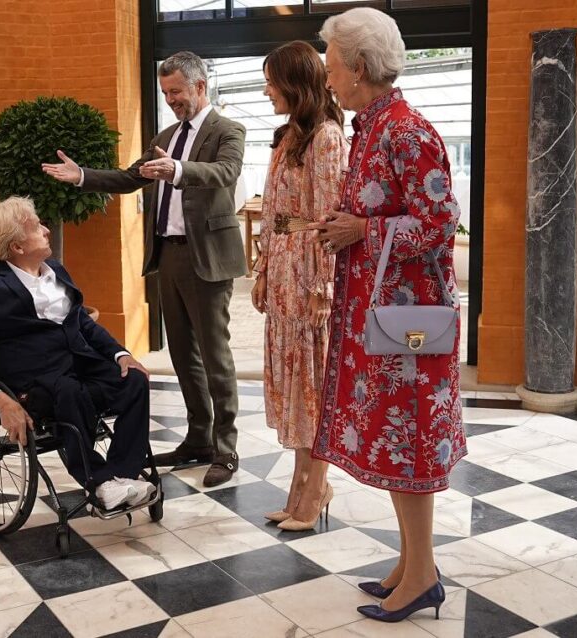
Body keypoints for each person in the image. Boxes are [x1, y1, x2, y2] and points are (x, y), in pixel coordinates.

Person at [310, 7, 466, 623]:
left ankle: (423, 572)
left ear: (361, 68)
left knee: (407, 444)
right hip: (381, 323)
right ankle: (412, 561)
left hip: (411, 329)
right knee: (394, 441)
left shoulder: (406, 131)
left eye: (332, 68)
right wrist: (350, 228)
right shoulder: (369, 128)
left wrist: (363, 231)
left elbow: (439, 223)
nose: (327, 79)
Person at [42, 51, 248, 487]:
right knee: (183, 354)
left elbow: (225, 172)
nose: (171, 99)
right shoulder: (168, 135)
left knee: (215, 356)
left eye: (176, 91)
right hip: (168, 255)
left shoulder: (227, 130)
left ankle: (226, 449)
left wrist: (177, 169)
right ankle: (198, 438)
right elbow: (128, 177)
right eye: (166, 93)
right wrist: (82, 176)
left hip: (207, 257)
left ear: (198, 86)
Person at [0, 196, 156, 510]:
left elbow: (81, 322)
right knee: (70, 392)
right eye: (37, 227)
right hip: (33, 386)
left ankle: (120, 477)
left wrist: (120, 354)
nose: (47, 230)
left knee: (134, 379)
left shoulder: (53, 270)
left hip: (79, 368)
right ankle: (100, 483)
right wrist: (0, 400)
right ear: (17, 247)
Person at [251, 41, 347, 531]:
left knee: (313, 385)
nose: (267, 90)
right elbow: (272, 213)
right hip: (286, 269)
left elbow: (329, 220)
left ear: (296, 83)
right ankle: (299, 487)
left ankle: (316, 489)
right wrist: (265, 266)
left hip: (309, 271)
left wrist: (323, 286)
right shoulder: (288, 136)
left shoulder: (327, 137)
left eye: (273, 81)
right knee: (293, 384)